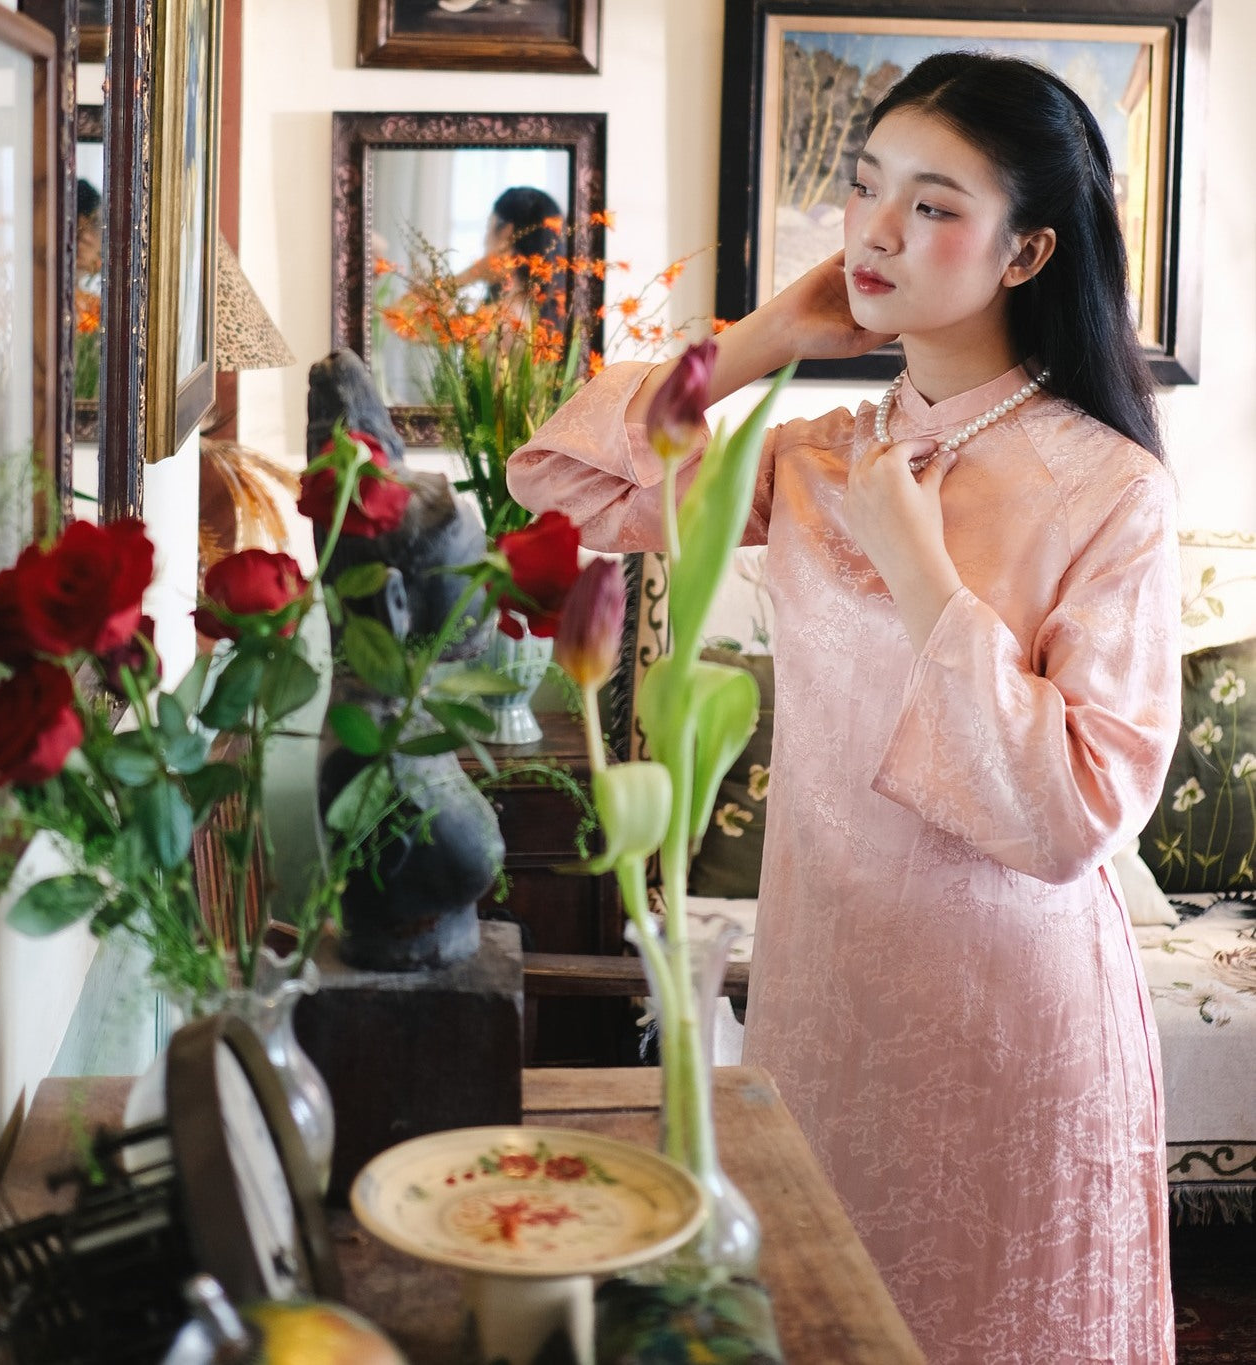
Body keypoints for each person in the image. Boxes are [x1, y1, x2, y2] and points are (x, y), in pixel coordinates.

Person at [507, 51, 1178, 1363]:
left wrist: (922, 568)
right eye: (866, 187)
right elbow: (562, 485)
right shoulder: (814, 458)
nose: (875, 230)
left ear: (1026, 251)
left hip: (1011, 1012)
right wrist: (763, 338)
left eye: (933, 204)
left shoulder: (1112, 492)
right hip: (822, 994)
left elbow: (1074, 816)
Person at [454, 184, 567, 331]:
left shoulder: (503, 320)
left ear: (506, 233)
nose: (484, 241)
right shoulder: (555, 313)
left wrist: (472, 273)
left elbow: (419, 326)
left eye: (488, 229)